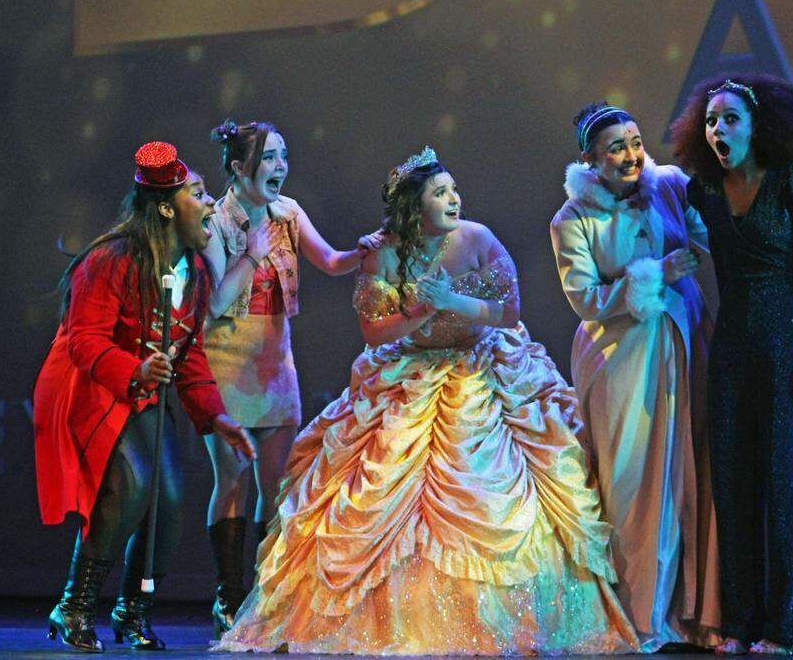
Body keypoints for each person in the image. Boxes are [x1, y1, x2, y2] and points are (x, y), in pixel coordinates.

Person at [215, 147, 637, 655]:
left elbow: (509, 311)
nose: (454, 198)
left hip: (483, 366)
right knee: (382, 482)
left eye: (454, 189)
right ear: (416, 208)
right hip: (411, 369)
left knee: (503, 483)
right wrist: (419, 312)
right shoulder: (384, 252)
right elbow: (374, 332)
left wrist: (452, 301)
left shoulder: (477, 238)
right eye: (441, 193)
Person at [34, 141, 256, 652]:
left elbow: (189, 353)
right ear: (164, 207)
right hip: (94, 386)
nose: (208, 205)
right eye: (198, 194)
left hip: (145, 389)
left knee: (171, 501)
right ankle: (73, 607)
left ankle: (132, 613)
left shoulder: (195, 272)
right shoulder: (111, 261)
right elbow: (86, 340)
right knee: (129, 489)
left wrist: (215, 416)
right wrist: (133, 369)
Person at [670, 76, 793, 656]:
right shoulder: (705, 192)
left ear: (758, 125)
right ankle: (738, 620)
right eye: (711, 121)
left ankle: (785, 630)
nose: (719, 130)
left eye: (731, 119)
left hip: (788, 350)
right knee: (734, 487)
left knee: (786, 488)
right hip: (733, 348)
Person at [199, 119, 380, 636]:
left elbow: (330, 261)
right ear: (239, 168)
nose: (281, 167)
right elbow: (214, 302)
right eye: (270, 158)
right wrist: (252, 251)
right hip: (228, 360)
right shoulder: (216, 221)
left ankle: (264, 592)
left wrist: (368, 249)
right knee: (231, 479)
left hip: (275, 362)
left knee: (275, 485)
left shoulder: (288, 213)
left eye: (283, 156)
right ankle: (229, 595)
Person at [550, 102, 720, 650]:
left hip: (682, 343)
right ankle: (634, 614)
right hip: (621, 358)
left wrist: (690, 252)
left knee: (686, 474)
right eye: (616, 147)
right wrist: (654, 276)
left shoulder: (668, 183)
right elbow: (585, 299)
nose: (630, 154)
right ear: (590, 160)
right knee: (630, 483)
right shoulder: (574, 218)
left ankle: (687, 612)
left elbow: (699, 235)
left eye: (635, 141)